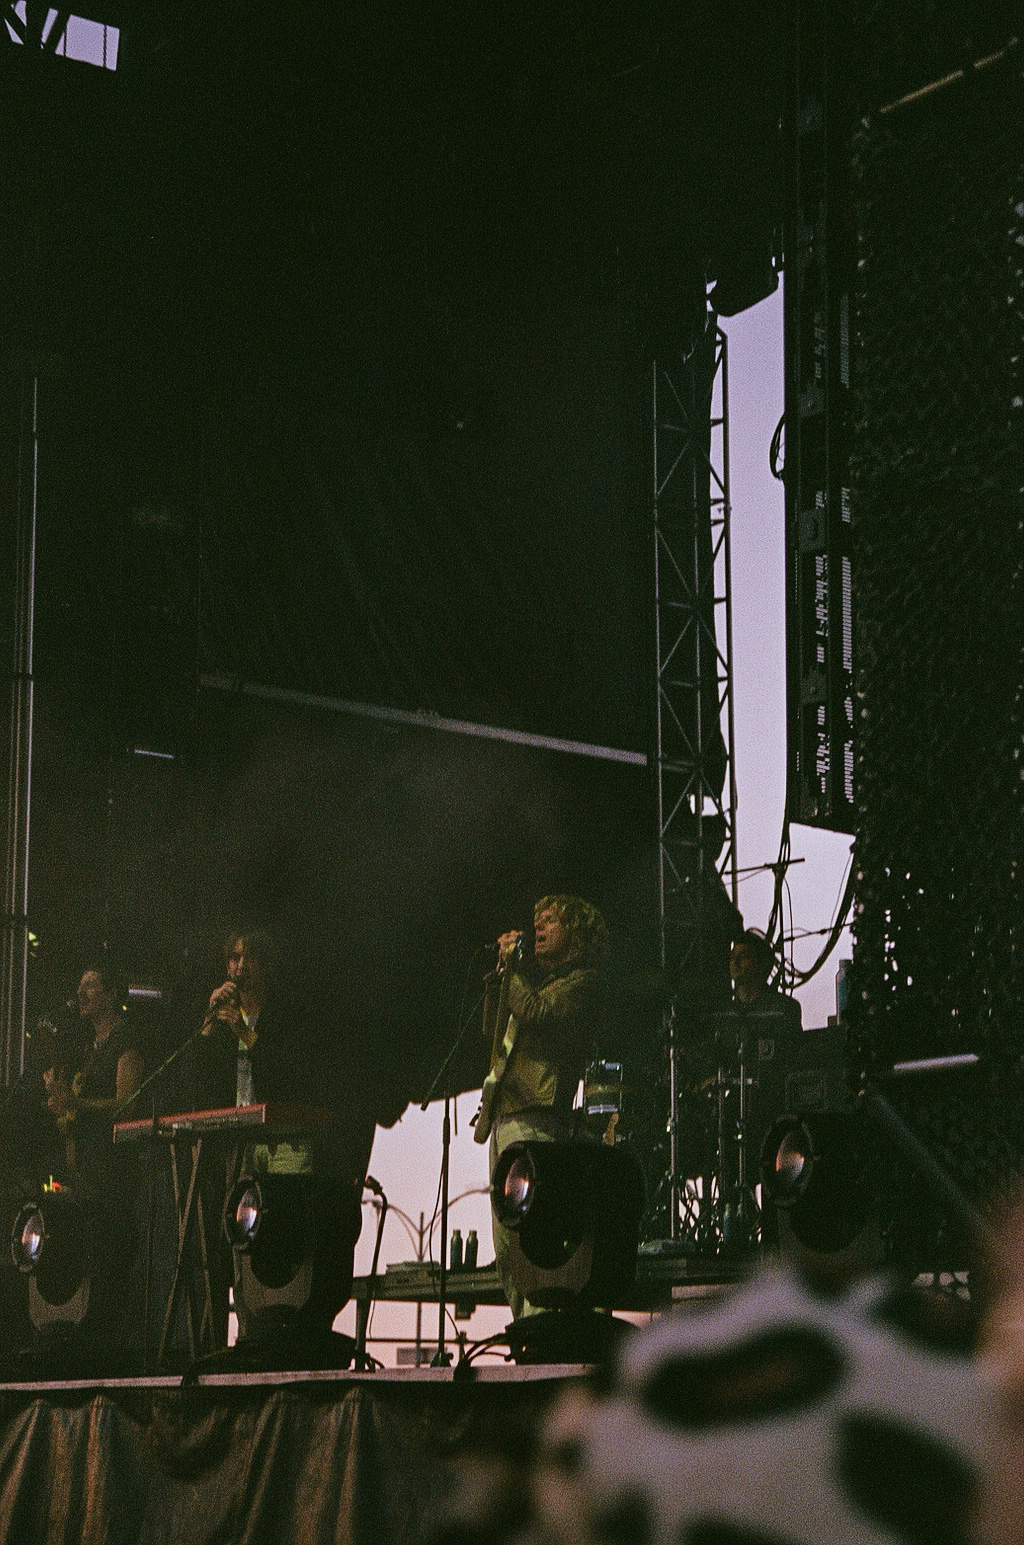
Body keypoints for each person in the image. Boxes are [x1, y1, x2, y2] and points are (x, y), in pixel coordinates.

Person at [190, 927, 367, 1354]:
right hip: (237, 1146)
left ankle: (282, 1332)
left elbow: (294, 1078)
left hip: (281, 1146)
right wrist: (209, 1028)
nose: (239, 967)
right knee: (237, 1237)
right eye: (233, 958)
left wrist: (246, 1036)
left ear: (265, 968)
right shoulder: (223, 1019)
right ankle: (248, 1332)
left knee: (276, 1234)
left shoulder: (289, 1017)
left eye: (248, 958)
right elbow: (193, 1082)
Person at [475, 894, 608, 1319]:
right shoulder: (540, 983)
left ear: (575, 933)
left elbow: (537, 1012)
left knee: (527, 1238)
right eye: (538, 921)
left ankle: (542, 1330)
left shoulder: (583, 982)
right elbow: (491, 1032)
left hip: (538, 1121)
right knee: (504, 1247)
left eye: (551, 921)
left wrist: (512, 972)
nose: (540, 928)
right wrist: (499, 980)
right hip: (506, 1117)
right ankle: (524, 1330)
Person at [44, 962, 143, 1193]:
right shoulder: (91, 1048)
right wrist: (58, 1097)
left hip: (113, 1173)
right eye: (80, 987)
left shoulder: (125, 1041)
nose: (79, 993)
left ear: (111, 995)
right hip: (87, 1170)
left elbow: (126, 1105)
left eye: (89, 985)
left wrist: (74, 1103)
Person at [729, 928, 802, 1029]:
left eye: (743, 956)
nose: (735, 962)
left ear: (761, 963)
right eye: (732, 957)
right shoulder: (727, 1012)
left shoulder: (784, 1009)